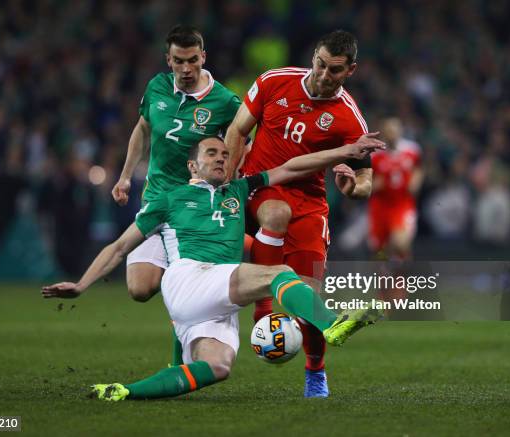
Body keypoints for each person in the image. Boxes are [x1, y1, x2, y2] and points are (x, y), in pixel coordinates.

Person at [42, 136, 385, 401]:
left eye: (224, 155)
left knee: (218, 366)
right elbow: (119, 247)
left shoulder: (238, 189)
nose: (221, 158)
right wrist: (82, 284)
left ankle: (125, 390)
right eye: (211, 154)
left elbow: (293, 167)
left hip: (214, 299)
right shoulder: (168, 200)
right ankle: (330, 325)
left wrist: (346, 152)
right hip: (190, 276)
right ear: (192, 166)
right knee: (278, 275)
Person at [225, 30, 374, 397]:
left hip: (309, 204)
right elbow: (237, 130)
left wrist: (354, 188)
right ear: (313, 56)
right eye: (320, 64)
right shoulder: (274, 82)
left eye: (335, 71)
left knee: (309, 295)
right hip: (259, 187)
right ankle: (262, 311)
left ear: (350, 70)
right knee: (275, 212)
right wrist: (227, 187)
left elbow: (366, 177)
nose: (324, 76)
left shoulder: (349, 119)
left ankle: (315, 371)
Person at [110, 25, 240, 364]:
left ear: (203, 58)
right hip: (156, 201)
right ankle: (188, 308)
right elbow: (142, 129)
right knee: (140, 289)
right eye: (178, 61)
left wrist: (230, 179)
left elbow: (242, 140)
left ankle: (182, 353)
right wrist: (125, 177)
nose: (186, 69)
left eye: (192, 61)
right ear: (168, 59)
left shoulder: (225, 101)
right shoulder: (156, 87)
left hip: (193, 209)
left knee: (181, 286)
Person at [368, 117, 423, 260]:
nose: (392, 134)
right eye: (389, 131)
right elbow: (365, 182)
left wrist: (416, 180)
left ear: (400, 131)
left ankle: (403, 278)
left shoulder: (412, 150)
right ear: (384, 133)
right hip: (380, 206)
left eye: (394, 130)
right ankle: (384, 279)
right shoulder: (375, 156)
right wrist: (374, 186)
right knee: (380, 250)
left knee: (401, 244)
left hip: (402, 204)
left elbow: (419, 169)